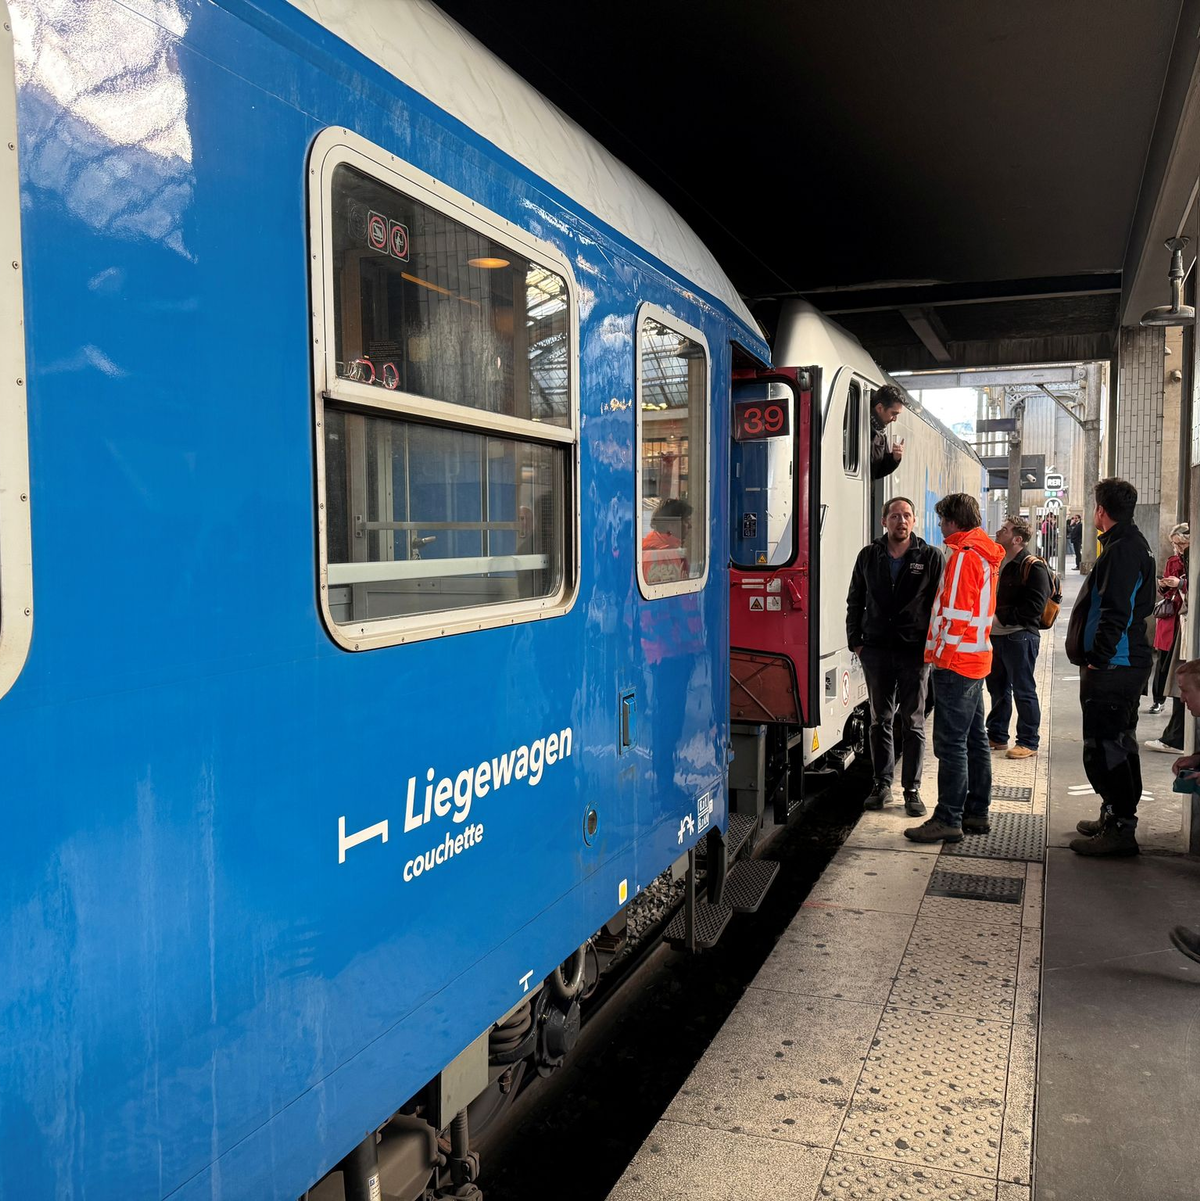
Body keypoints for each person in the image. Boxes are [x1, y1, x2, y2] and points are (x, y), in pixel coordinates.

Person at [904, 493, 1005, 843]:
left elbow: (957, 615)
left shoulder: (964, 556)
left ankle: (948, 817)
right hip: (976, 659)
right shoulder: (983, 553)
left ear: (952, 520)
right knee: (975, 739)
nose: (940, 525)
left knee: (951, 744)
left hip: (958, 663)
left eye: (942, 518)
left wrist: (941, 660)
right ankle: (976, 812)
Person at [1066, 478, 1156, 856]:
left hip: (1114, 667)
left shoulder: (1122, 550)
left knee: (1107, 748)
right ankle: (1113, 815)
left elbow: (1116, 611)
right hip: (1120, 664)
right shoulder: (1131, 544)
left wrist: (1098, 657)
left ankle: (1121, 828)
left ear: (1101, 511)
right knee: (1116, 743)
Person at [846, 496, 945, 817]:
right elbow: (855, 600)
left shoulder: (929, 557)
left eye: (907, 516)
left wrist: (931, 646)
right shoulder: (869, 556)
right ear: (884, 521)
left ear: (914, 522)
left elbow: (939, 606)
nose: (901, 521)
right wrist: (856, 643)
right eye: (895, 516)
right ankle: (881, 784)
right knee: (879, 720)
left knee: (913, 722)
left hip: (915, 652)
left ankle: (912, 790)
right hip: (875, 650)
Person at [985, 515, 1051, 759]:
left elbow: (1033, 608)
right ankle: (997, 735)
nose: (998, 532)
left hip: (1019, 637)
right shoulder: (997, 561)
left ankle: (1028, 741)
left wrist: (999, 617)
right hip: (995, 636)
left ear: (1017, 539)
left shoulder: (1033, 566)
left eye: (1004, 529)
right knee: (997, 688)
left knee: (1024, 690)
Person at [1145, 523, 1188, 735]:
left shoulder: (1191, 560)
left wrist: (1180, 583)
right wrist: (1165, 585)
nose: (1177, 548)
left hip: (1185, 618)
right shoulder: (1172, 561)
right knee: (1162, 662)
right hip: (1170, 617)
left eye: (1180, 544)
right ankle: (1158, 699)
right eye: (1174, 544)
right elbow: (1164, 591)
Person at [641, 498, 690, 584]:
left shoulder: (673, 551)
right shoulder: (656, 554)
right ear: (671, 525)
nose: (690, 526)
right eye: (686, 521)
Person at [870, 384, 905, 480]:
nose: (895, 419)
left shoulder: (881, 435)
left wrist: (894, 458)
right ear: (880, 408)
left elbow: (877, 472)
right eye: (894, 414)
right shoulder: (854, 422)